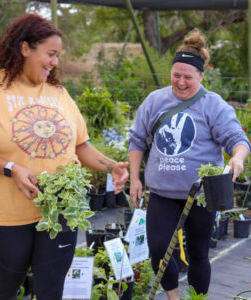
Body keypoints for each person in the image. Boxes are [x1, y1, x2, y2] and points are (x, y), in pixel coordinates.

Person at [0, 14, 128, 300]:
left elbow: (80, 146)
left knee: (51, 289)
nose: (55, 62)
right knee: (7, 286)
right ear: (24, 48)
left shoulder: (57, 92)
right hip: (5, 212)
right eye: (50, 54)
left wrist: (112, 166)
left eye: (57, 56)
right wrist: (11, 169)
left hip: (60, 209)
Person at [129, 28, 250, 300]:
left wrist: (238, 159)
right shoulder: (155, 101)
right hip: (162, 193)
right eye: (176, 75)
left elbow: (237, 139)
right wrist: (135, 179)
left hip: (201, 195)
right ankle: (173, 297)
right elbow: (137, 140)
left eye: (188, 77)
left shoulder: (214, 105)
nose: (180, 82)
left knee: (198, 252)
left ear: (201, 76)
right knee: (159, 248)